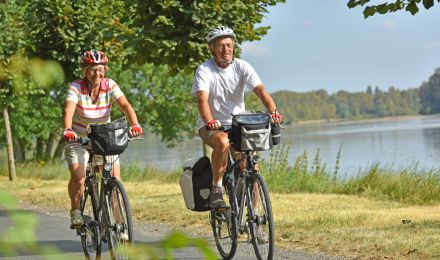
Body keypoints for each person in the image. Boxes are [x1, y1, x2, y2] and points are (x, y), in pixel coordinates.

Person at [191, 26, 283, 208]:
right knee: (223, 143)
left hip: (238, 125)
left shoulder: (242, 66)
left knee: (252, 167)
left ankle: (253, 214)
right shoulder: (204, 70)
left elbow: (260, 91)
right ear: (212, 48)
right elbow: (202, 99)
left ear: (233, 46)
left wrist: (273, 112)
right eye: (220, 46)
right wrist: (210, 122)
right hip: (211, 126)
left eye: (229, 45)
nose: (226, 49)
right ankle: (217, 188)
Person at [63, 49, 143, 227]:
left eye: (100, 69)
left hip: (104, 136)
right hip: (79, 138)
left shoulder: (110, 85)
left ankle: (121, 224)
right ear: (84, 70)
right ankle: (76, 211)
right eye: (91, 69)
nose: (96, 74)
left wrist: (135, 124)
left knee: (114, 180)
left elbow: (125, 105)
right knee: (79, 177)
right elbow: (68, 110)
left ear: (105, 70)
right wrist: (68, 129)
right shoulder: (76, 87)